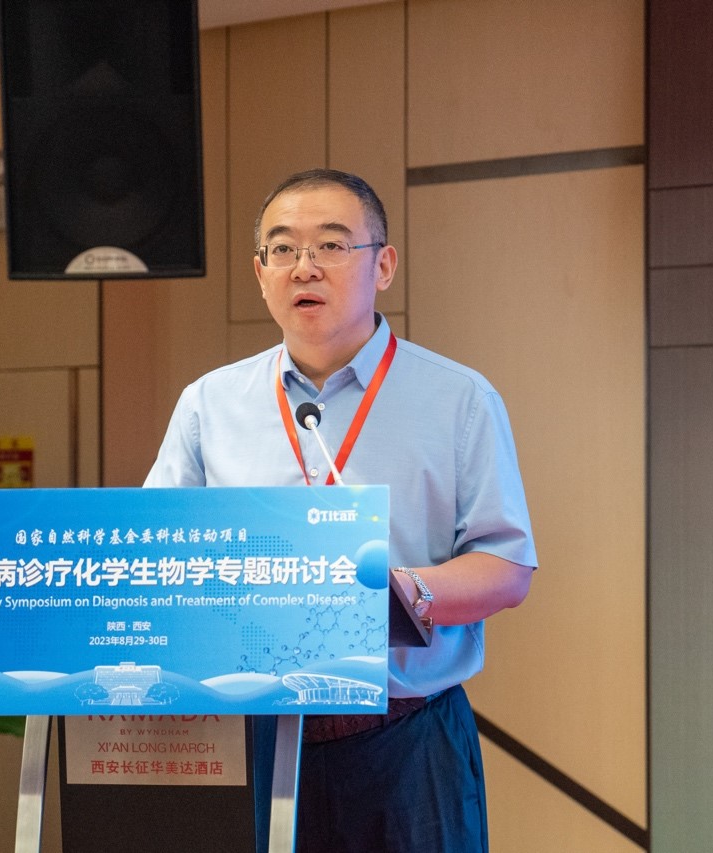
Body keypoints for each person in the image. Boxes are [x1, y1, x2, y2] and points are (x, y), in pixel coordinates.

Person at [143, 168, 537, 852]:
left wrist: (401, 594)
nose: (304, 267)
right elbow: (158, 554)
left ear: (382, 265)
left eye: (331, 245)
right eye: (282, 249)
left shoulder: (458, 399)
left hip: (404, 739)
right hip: (251, 734)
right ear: (260, 273)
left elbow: (506, 567)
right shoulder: (210, 404)